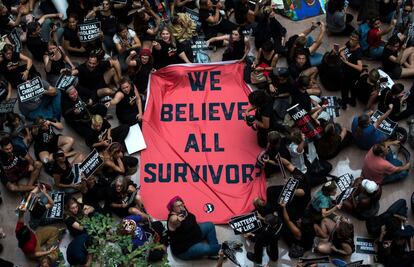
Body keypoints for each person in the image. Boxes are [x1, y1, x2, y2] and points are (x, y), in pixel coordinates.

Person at [167, 196, 220, 260]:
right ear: (173, 209)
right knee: (206, 249)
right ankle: (220, 249)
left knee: (210, 225)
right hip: (185, 249)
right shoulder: (173, 219)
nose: (181, 207)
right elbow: (173, 220)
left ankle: (214, 251)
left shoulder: (182, 210)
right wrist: (177, 218)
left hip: (195, 235)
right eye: (178, 206)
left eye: (182, 204)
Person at [339, 31, 363, 109]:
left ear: (358, 41)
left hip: (351, 74)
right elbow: (342, 49)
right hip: (346, 70)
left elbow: (360, 68)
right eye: (350, 38)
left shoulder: (358, 52)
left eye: (353, 40)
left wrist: (346, 62)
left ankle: (345, 103)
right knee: (350, 88)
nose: (351, 41)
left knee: (346, 89)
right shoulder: (350, 43)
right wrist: (340, 52)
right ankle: (351, 101)